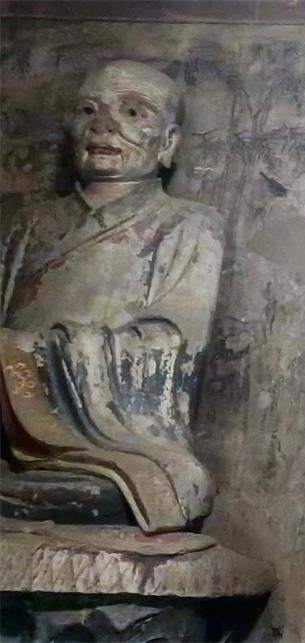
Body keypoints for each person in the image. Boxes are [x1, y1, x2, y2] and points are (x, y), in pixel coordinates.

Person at [0, 60, 223, 533]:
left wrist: (25, 353)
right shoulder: (27, 227)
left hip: (115, 437)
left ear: (168, 143)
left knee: (137, 491)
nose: (103, 125)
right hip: (9, 427)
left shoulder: (188, 226)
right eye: (88, 110)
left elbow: (168, 347)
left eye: (133, 112)